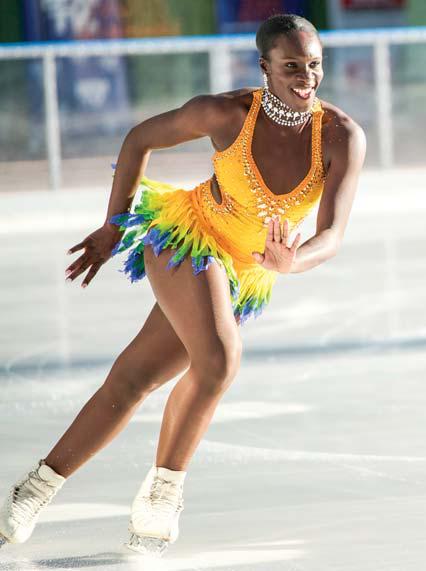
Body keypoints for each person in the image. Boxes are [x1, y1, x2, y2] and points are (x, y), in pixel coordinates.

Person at [0, 13, 366, 556]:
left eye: (315, 65)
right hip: (186, 238)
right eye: (291, 66)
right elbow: (138, 139)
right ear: (265, 67)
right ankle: (163, 493)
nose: (306, 77)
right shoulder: (224, 113)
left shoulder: (340, 135)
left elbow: (332, 233)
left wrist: (292, 264)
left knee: (133, 380)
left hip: (243, 270)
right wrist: (113, 224)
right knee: (218, 360)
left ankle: (30, 493)